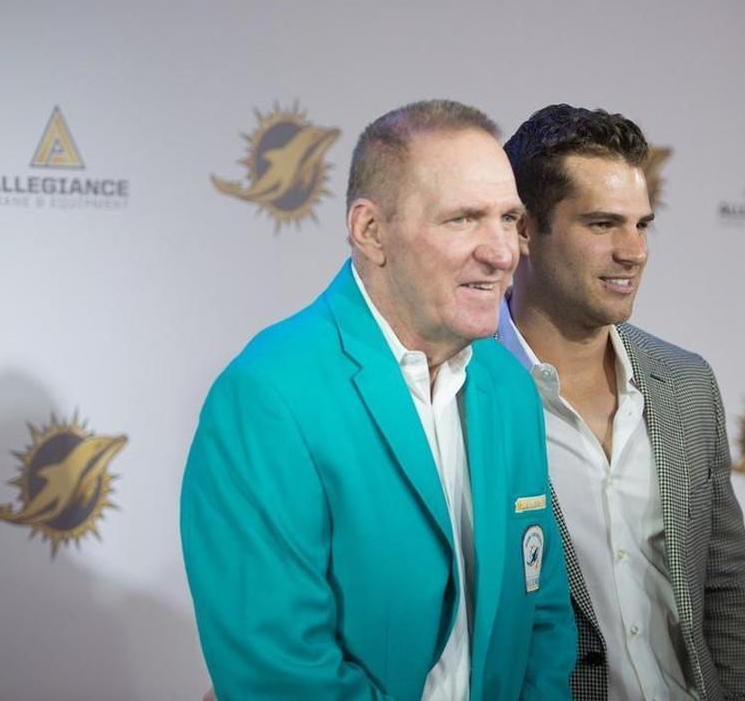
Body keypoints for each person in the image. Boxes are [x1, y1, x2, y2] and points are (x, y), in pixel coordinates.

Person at [181, 99, 576, 700]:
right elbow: (281, 670)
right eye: (463, 219)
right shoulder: (268, 396)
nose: (502, 253)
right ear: (371, 232)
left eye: (508, 219)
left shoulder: (509, 384)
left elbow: (541, 615)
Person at [497, 104, 745, 701]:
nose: (634, 251)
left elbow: (724, 581)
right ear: (523, 231)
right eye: (602, 224)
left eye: (642, 225)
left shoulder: (686, 383)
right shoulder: (464, 396)